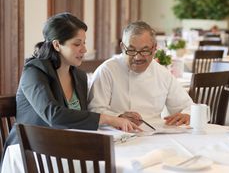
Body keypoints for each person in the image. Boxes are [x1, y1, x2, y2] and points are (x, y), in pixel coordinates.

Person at [4, 13, 140, 153]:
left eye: (84, 43)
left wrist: (117, 118)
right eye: (77, 44)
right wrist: (108, 119)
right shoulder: (34, 73)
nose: (84, 50)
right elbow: (54, 116)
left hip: (64, 147)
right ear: (57, 45)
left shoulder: (79, 77)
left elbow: (82, 117)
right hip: (30, 151)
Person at [88, 21, 194, 127]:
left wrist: (187, 115)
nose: (137, 57)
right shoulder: (107, 71)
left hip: (156, 134)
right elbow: (95, 111)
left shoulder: (162, 73)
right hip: (118, 135)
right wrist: (118, 117)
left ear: (154, 49)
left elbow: (188, 107)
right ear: (122, 47)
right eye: (131, 50)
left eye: (144, 51)